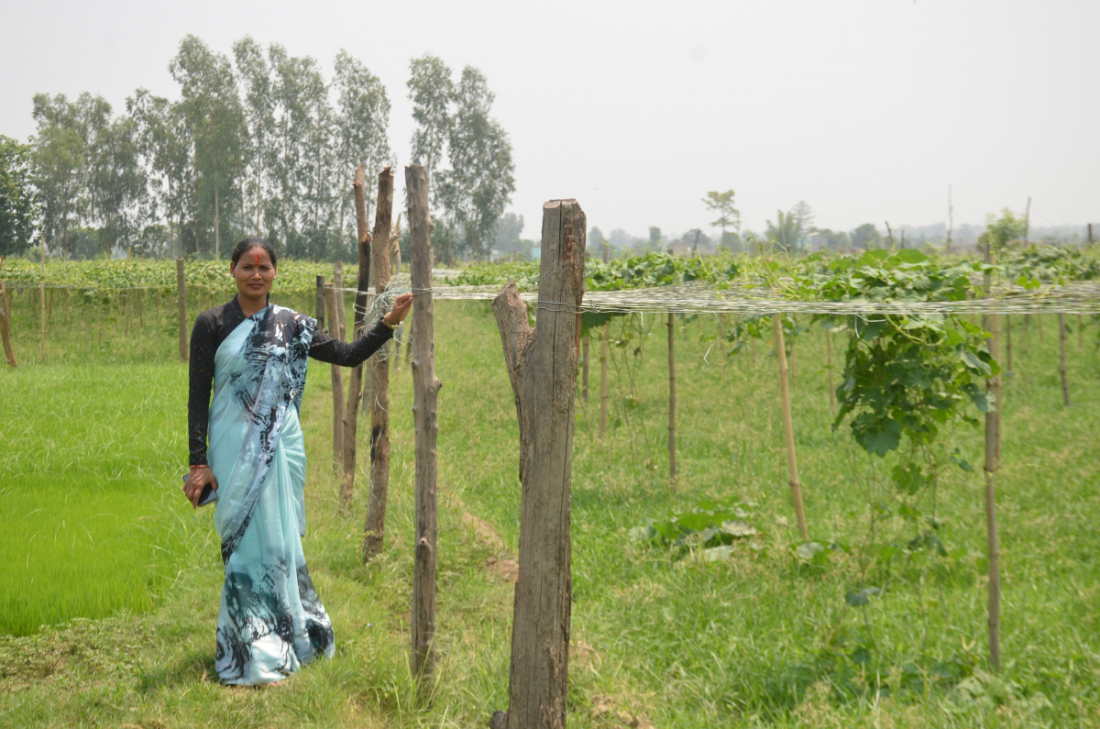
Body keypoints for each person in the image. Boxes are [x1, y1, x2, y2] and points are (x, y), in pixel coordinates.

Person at [183, 237, 411, 686]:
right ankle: (248, 647)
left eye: (264, 267)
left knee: (279, 544)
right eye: (247, 266)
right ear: (232, 270)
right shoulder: (212, 323)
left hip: (277, 448)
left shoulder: (292, 324)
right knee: (244, 546)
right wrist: (197, 462)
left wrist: (387, 324)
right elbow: (198, 395)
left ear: (274, 273)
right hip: (232, 450)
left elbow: (346, 356)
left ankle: (283, 637)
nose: (256, 274)